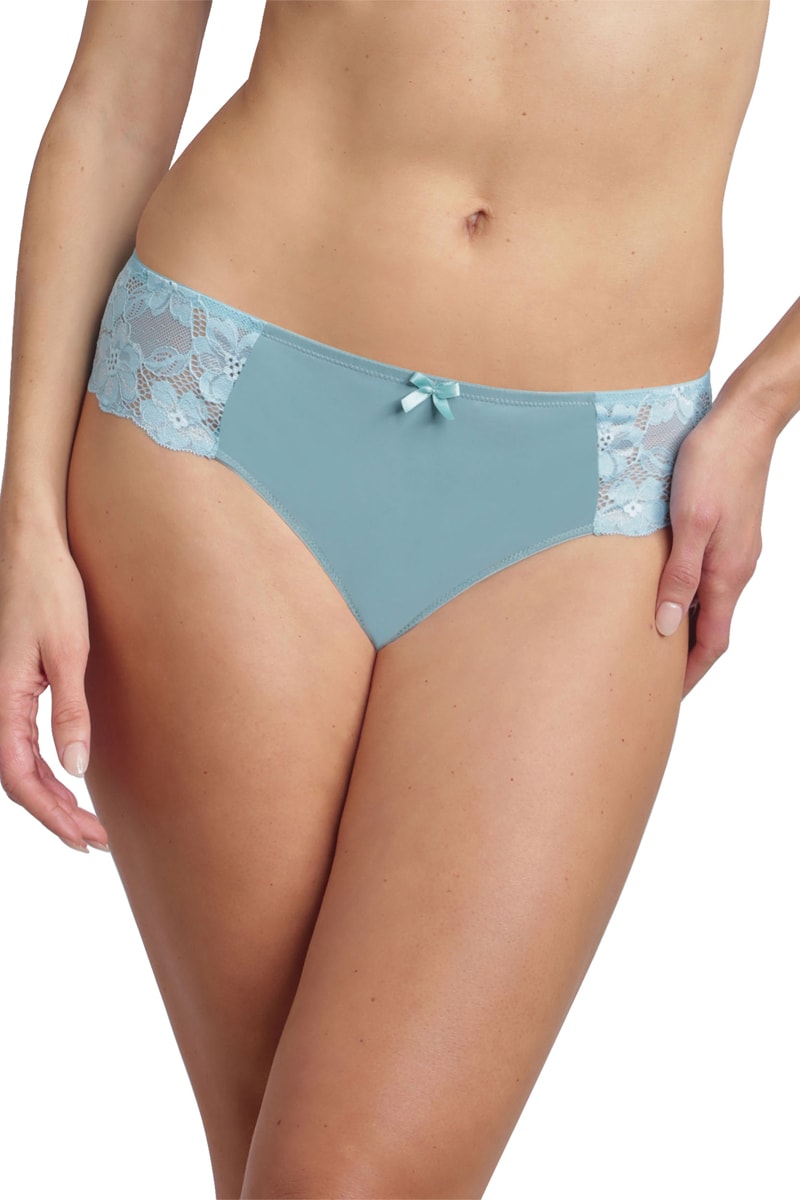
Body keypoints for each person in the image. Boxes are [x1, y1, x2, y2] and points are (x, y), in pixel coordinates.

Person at [0, 1, 795, 1197]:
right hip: (216, 416)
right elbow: (117, 97)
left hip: (594, 486)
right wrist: (25, 523)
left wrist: (761, 407)